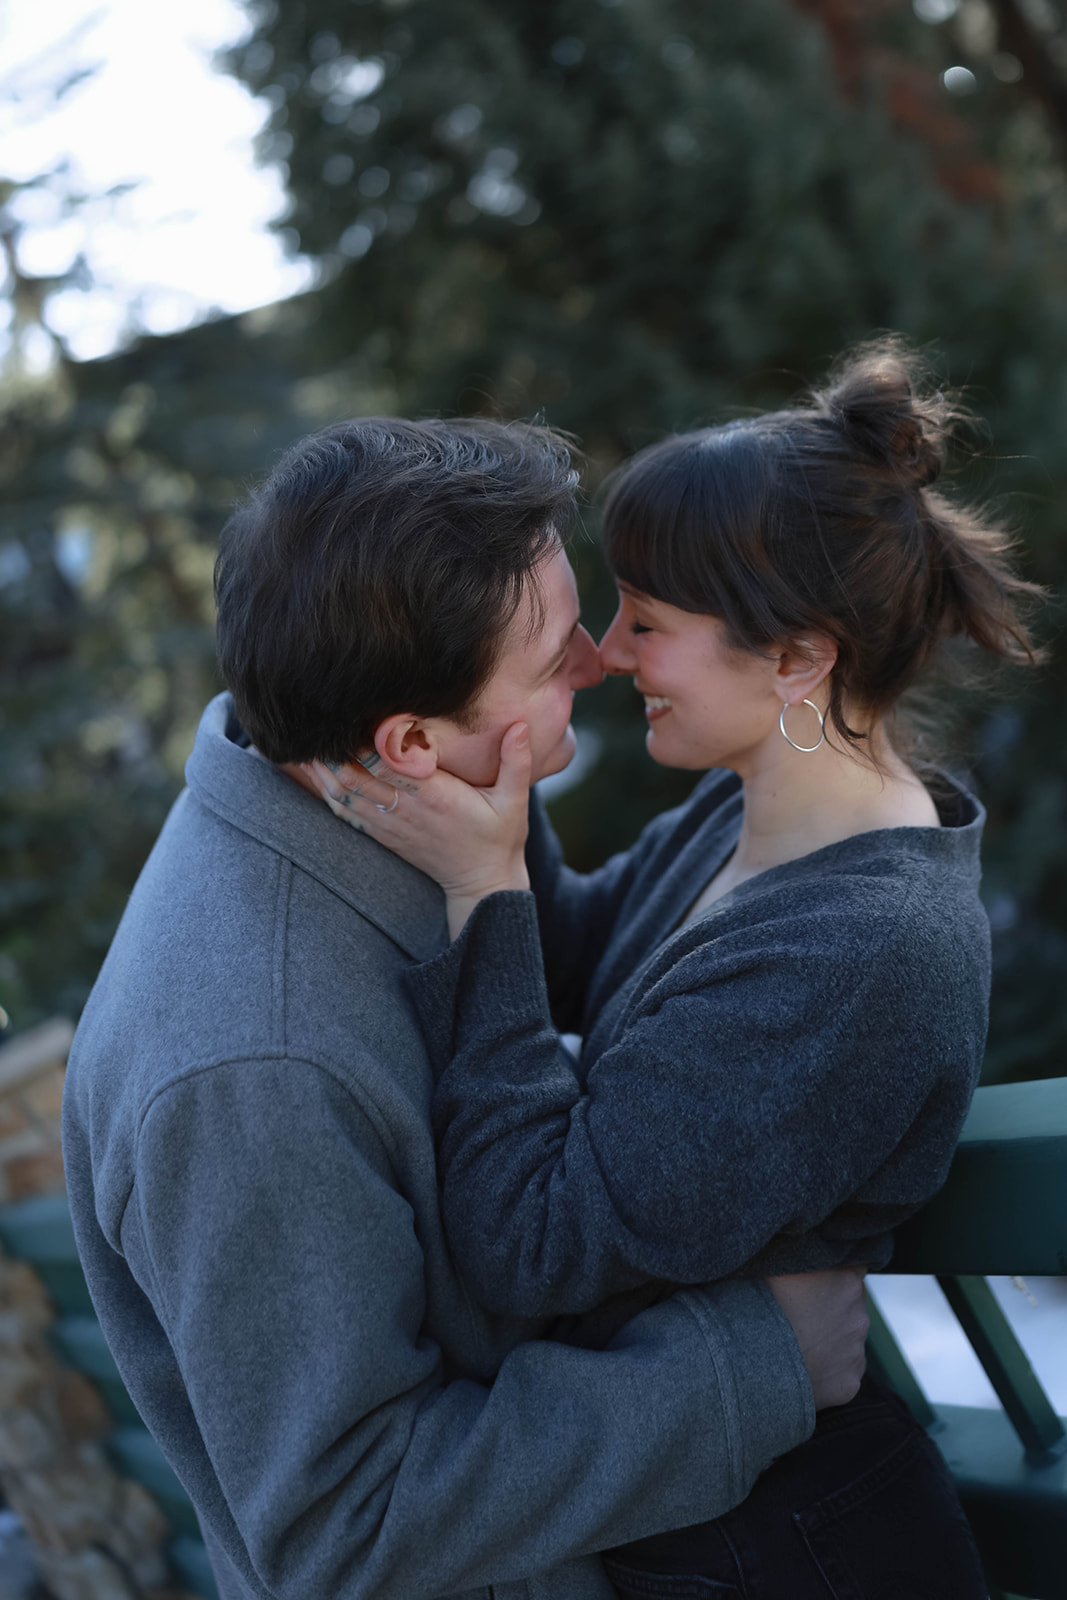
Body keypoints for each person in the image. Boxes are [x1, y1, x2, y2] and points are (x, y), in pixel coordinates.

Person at [61, 416, 870, 1600]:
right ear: (409, 742)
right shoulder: (255, 1067)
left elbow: (569, 969)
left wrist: (834, 794)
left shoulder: (386, 794)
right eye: (552, 661)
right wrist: (748, 1366)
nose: (598, 660)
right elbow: (345, 1526)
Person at [306, 346, 1041, 1599]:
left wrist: (483, 889)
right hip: (710, 1500)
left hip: (789, 1547)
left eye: (647, 621)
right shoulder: (757, 807)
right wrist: (492, 750)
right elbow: (589, 958)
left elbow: (533, 1243)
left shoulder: (860, 952)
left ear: (796, 659)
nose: (601, 652)